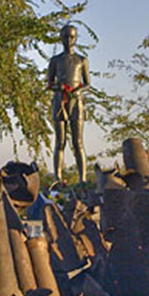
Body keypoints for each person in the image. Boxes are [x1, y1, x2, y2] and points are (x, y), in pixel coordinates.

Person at [46, 24, 90, 183]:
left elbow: (87, 83)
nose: (68, 40)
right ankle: (58, 177)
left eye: (72, 37)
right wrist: (60, 87)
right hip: (60, 101)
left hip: (76, 101)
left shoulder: (82, 60)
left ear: (76, 38)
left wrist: (77, 90)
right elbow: (49, 83)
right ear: (61, 38)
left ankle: (82, 179)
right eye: (65, 36)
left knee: (78, 142)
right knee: (60, 141)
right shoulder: (55, 60)